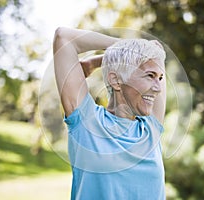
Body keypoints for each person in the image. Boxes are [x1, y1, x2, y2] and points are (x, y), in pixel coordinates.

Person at [53, 27, 166, 200]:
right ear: (116, 80)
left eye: (160, 78)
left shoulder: (150, 129)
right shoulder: (87, 122)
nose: (158, 88)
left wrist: (101, 60)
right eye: (150, 76)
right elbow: (63, 37)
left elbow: (157, 50)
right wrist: (123, 48)